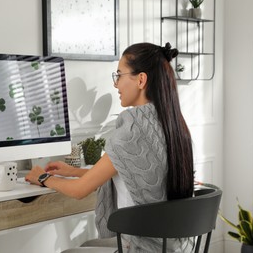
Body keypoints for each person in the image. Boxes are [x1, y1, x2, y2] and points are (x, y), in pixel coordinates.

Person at [25, 42, 194, 252]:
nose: (116, 85)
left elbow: (79, 191)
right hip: (173, 247)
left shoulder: (132, 129)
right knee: (88, 246)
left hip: (141, 248)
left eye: (119, 75)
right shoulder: (174, 125)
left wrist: (42, 178)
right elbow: (130, 174)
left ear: (141, 80)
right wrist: (74, 172)